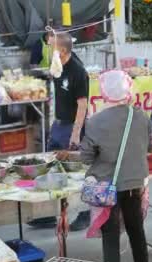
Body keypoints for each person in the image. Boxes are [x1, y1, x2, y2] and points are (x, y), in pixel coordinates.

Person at [80, 70, 152, 262]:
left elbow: (86, 157)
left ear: (104, 92)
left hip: (106, 186)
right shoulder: (141, 116)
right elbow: (150, 147)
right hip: (135, 184)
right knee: (136, 230)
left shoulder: (95, 121)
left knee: (110, 235)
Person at [51, 32, 91, 231]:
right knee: (54, 167)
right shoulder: (57, 65)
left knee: (78, 172)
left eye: (53, 46)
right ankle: (51, 212)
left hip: (72, 126)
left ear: (63, 50)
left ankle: (85, 213)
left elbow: (82, 104)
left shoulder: (77, 70)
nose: (51, 50)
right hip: (58, 124)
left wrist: (76, 134)